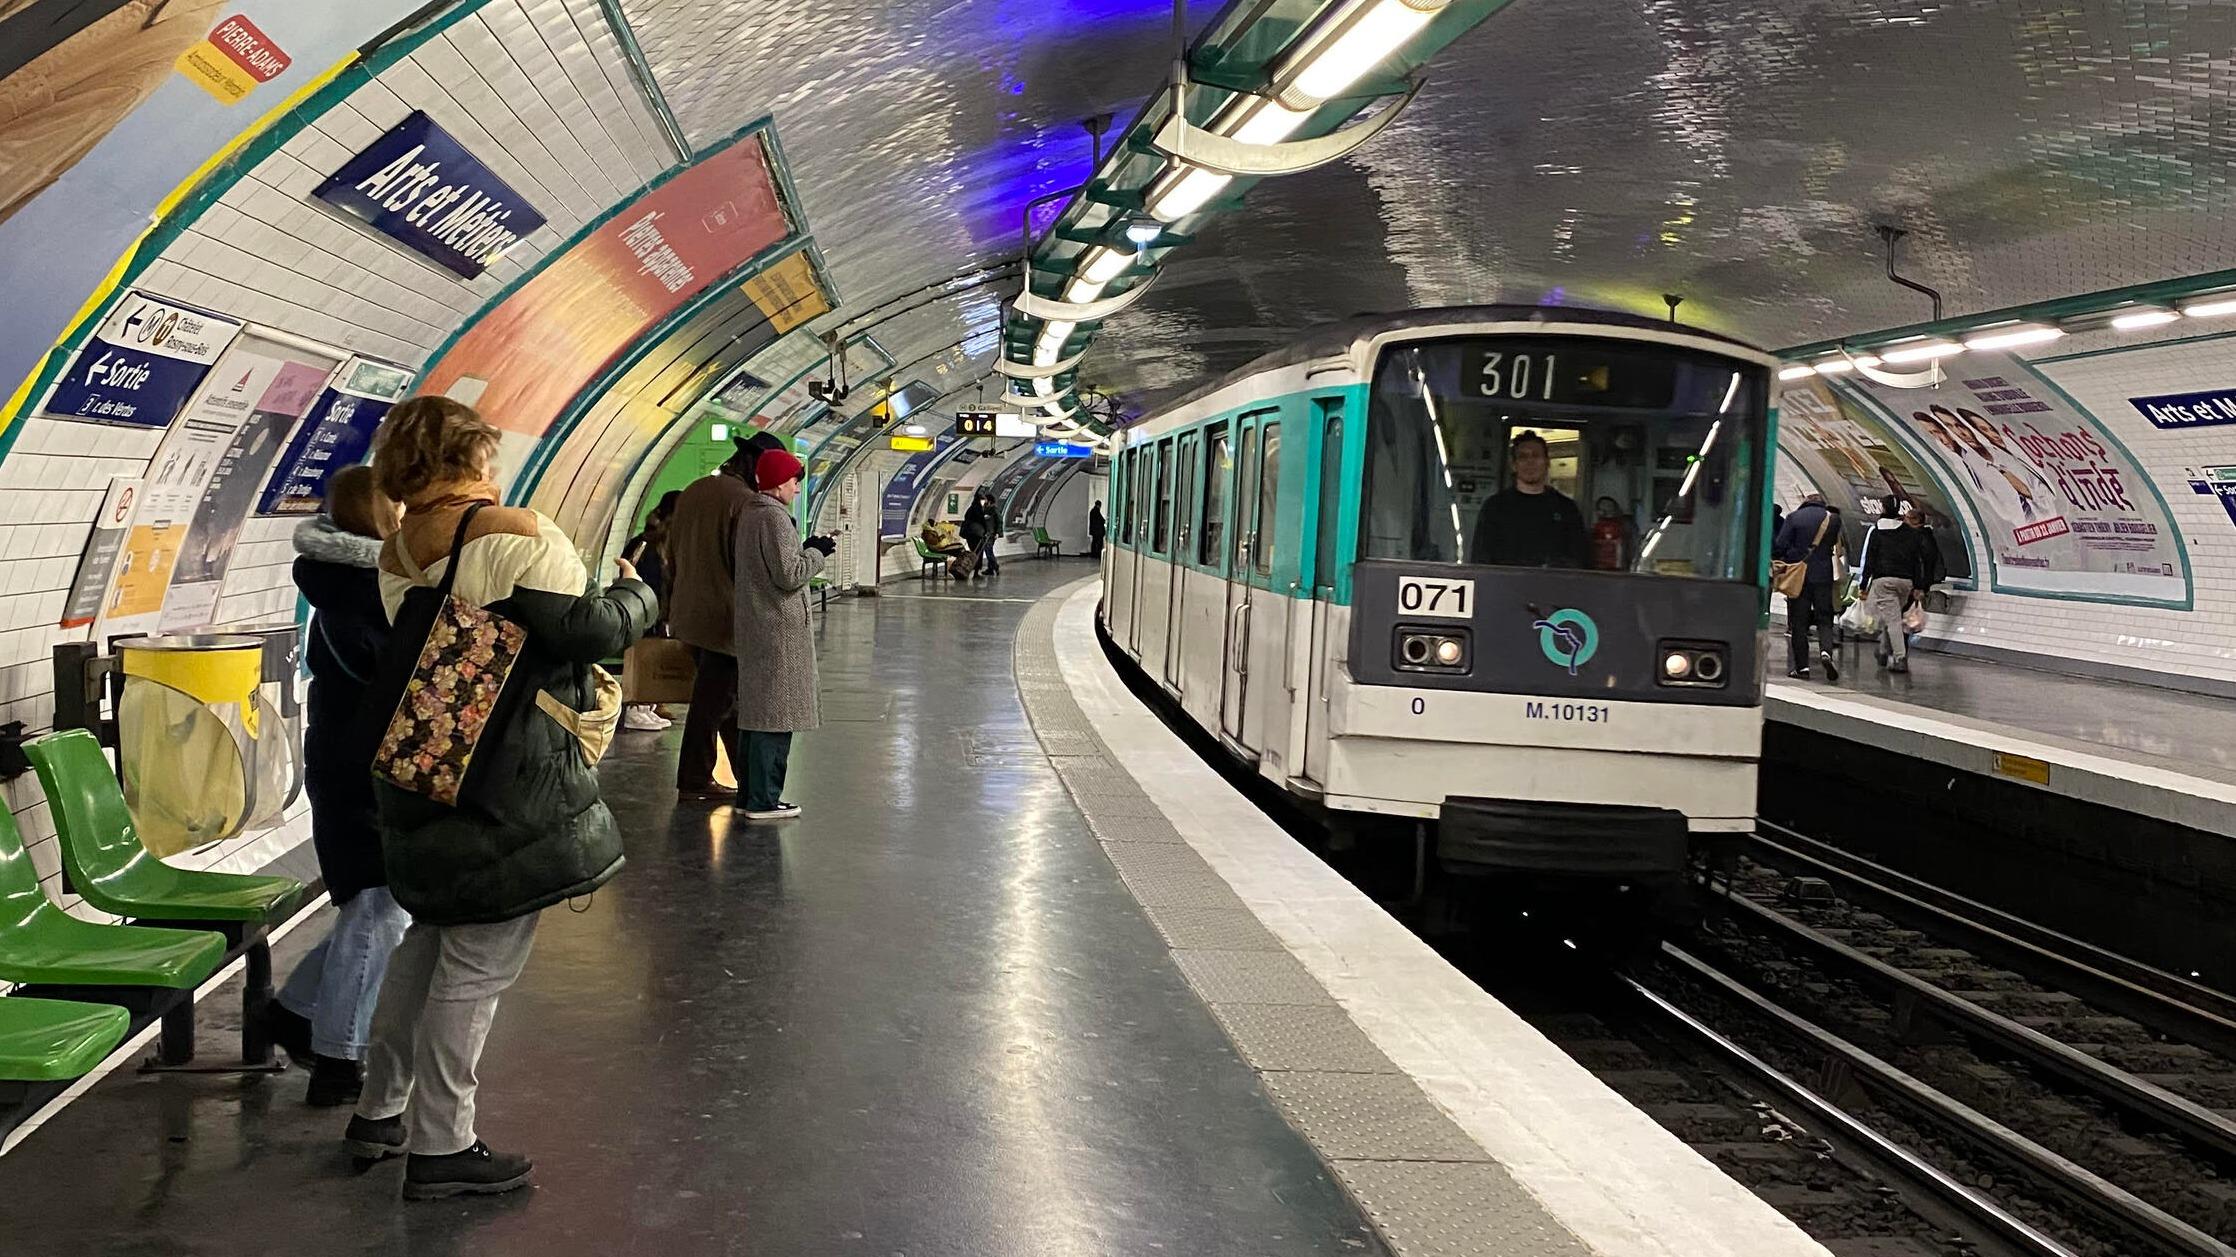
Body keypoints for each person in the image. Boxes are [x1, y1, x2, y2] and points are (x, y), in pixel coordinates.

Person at [347, 397, 656, 1199]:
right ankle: (444, 1143)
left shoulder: (391, 552)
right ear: (473, 459)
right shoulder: (514, 531)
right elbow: (588, 630)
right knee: (478, 964)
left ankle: (381, 1108)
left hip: (421, 765)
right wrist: (641, 594)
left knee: (429, 938)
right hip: (506, 776)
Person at [263, 465, 409, 1108]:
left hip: (348, 758)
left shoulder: (349, 586)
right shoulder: (366, 592)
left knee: (377, 906)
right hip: (361, 767)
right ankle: (337, 1058)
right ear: (384, 515)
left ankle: (293, 1012)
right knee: (377, 906)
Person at [666, 432, 786, 800]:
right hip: (726, 619)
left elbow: (670, 551)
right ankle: (694, 779)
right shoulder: (748, 504)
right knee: (712, 704)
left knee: (726, 700)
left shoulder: (694, 490)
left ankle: (747, 778)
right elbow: (751, 567)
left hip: (688, 613)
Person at [733, 448, 831, 820]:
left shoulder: (750, 515)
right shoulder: (774, 519)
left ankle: (750, 795)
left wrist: (805, 550)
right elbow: (789, 575)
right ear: (778, 482)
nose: (797, 489)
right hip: (779, 632)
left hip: (759, 625)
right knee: (777, 716)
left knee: (757, 716)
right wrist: (817, 553)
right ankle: (765, 799)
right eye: (794, 482)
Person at [1469, 430, 1589, 568]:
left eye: (1536, 456)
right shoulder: (1495, 507)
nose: (1530, 462)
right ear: (1514, 465)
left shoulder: (1567, 509)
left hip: (1554, 587)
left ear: (1547, 462)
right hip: (1504, 586)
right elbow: (1480, 560)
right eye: (1523, 457)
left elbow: (1580, 560)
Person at [620, 490, 681, 732]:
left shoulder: (658, 541)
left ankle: (647, 706)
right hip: (641, 606)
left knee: (651, 652)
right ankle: (637, 707)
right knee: (644, 653)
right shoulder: (650, 544)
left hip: (650, 606)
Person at [1772, 492, 1842, 681]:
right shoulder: (1833, 519)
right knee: (1824, 618)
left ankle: (1802, 668)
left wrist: (1788, 557)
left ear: (1805, 502)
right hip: (1824, 575)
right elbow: (1833, 543)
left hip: (1799, 576)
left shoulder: (1794, 517)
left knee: (1799, 623)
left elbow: (1780, 545)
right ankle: (1826, 651)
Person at [1862, 497, 1930, 674]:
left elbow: (1870, 560)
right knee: (1892, 616)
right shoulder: (1910, 533)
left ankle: (1900, 657)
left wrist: (1863, 584)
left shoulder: (1877, 532)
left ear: (1883, 508)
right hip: (1905, 582)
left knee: (1893, 620)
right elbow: (1917, 561)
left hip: (1883, 580)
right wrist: (1918, 585)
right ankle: (1883, 650)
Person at [964, 490, 1001, 577]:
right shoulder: (979, 509)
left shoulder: (973, 508)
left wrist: (997, 532)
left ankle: (989, 569)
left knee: (981, 552)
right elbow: (982, 521)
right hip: (978, 535)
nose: (984, 502)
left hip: (977, 534)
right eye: (983, 500)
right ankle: (990, 568)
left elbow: (998, 521)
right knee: (980, 553)